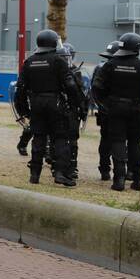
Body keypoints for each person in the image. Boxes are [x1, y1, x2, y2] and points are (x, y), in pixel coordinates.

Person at [14, 29, 81, 187]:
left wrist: (23, 110)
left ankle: (34, 175)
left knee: (38, 138)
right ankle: (60, 174)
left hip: (36, 103)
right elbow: (70, 85)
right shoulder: (58, 60)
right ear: (53, 43)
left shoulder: (29, 61)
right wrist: (74, 103)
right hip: (55, 103)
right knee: (60, 138)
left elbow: (21, 88)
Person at [90, 32, 140, 191]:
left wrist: (104, 104)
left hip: (114, 110)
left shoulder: (110, 64)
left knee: (117, 142)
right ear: (136, 48)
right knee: (136, 143)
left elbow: (96, 87)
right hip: (136, 110)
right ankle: (137, 180)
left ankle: (119, 180)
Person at [58, 42, 88, 182]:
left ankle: (71, 167)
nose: (66, 60)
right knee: (61, 139)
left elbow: (81, 92)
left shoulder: (75, 71)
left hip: (69, 109)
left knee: (71, 139)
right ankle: (63, 168)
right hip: (62, 108)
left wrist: (82, 109)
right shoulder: (58, 70)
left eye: (67, 57)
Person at [91, 41, 121, 181]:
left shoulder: (100, 67)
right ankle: (125, 172)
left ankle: (104, 169)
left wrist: (101, 105)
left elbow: (94, 89)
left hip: (106, 110)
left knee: (106, 140)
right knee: (122, 141)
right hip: (124, 111)